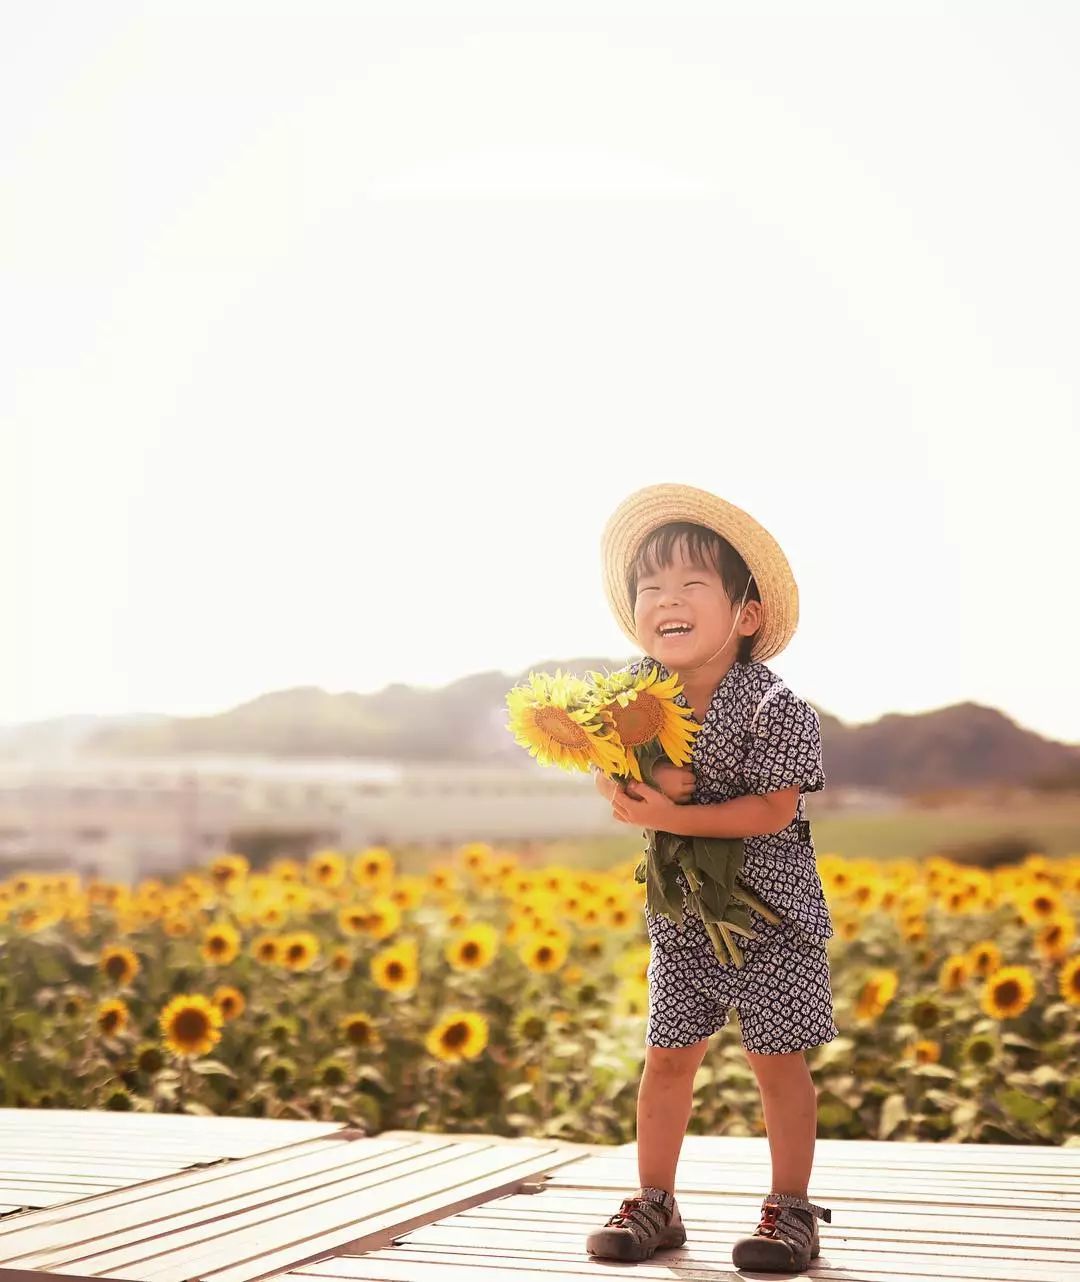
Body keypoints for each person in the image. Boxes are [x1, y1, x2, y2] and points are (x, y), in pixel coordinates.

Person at [584, 482, 838, 1274]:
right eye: (650, 587)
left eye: (692, 583)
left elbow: (771, 810)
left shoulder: (775, 707)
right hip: (684, 913)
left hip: (773, 916)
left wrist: (671, 814)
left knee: (777, 1062)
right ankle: (655, 1201)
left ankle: (791, 1210)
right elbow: (605, 767)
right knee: (667, 1057)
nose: (667, 599)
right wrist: (633, 787)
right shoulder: (633, 697)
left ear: (746, 615)